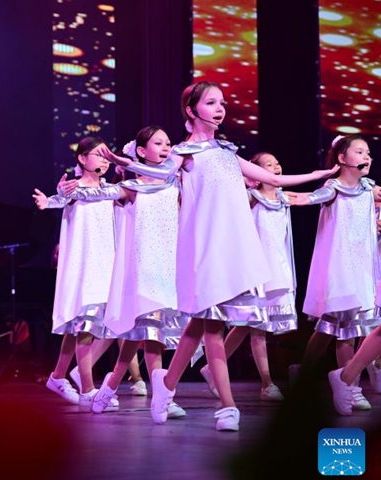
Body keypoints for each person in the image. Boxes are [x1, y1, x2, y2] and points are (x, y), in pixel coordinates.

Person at [101, 81, 337, 431]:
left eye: (222, 102)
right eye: (211, 102)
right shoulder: (184, 152)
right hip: (204, 248)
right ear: (192, 110)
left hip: (234, 247)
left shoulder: (227, 152)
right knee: (211, 326)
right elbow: (161, 172)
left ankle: (165, 386)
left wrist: (318, 175)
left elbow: (274, 178)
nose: (220, 108)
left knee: (201, 325)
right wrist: (124, 162)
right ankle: (227, 407)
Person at [61, 126, 187, 418]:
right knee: (150, 333)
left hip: (170, 264)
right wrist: (62, 193)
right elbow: (97, 192)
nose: (166, 147)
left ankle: (112, 385)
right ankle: (163, 396)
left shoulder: (175, 181)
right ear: (141, 152)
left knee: (142, 335)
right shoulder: (132, 187)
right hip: (143, 266)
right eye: (158, 142)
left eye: (168, 142)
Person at [293, 134, 381, 415]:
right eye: (359, 151)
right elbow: (312, 197)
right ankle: (349, 386)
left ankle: (319, 378)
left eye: (368, 152)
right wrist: (287, 197)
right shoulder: (334, 188)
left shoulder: (368, 188)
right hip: (340, 269)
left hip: (362, 267)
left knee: (336, 329)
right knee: (342, 330)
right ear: (342, 159)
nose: (367, 156)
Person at [199, 152, 297, 402]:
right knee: (257, 327)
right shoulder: (251, 198)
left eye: (277, 163)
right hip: (255, 268)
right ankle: (267, 383)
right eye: (268, 165)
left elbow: (311, 198)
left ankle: (211, 368)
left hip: (278, 266)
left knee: (246, 326)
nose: (276, 167)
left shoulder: (284, 198)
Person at [33, 137, 118, 411]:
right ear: (82, 159)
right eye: (98, 154)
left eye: (107, 155)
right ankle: (88, 389)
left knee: (78, 325)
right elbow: (61, 198)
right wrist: (49, 201)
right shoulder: (73, 187)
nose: (104, 160)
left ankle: (58, 377)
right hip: (84, 266)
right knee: (86, 326)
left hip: (106, 264)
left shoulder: (110, 189)